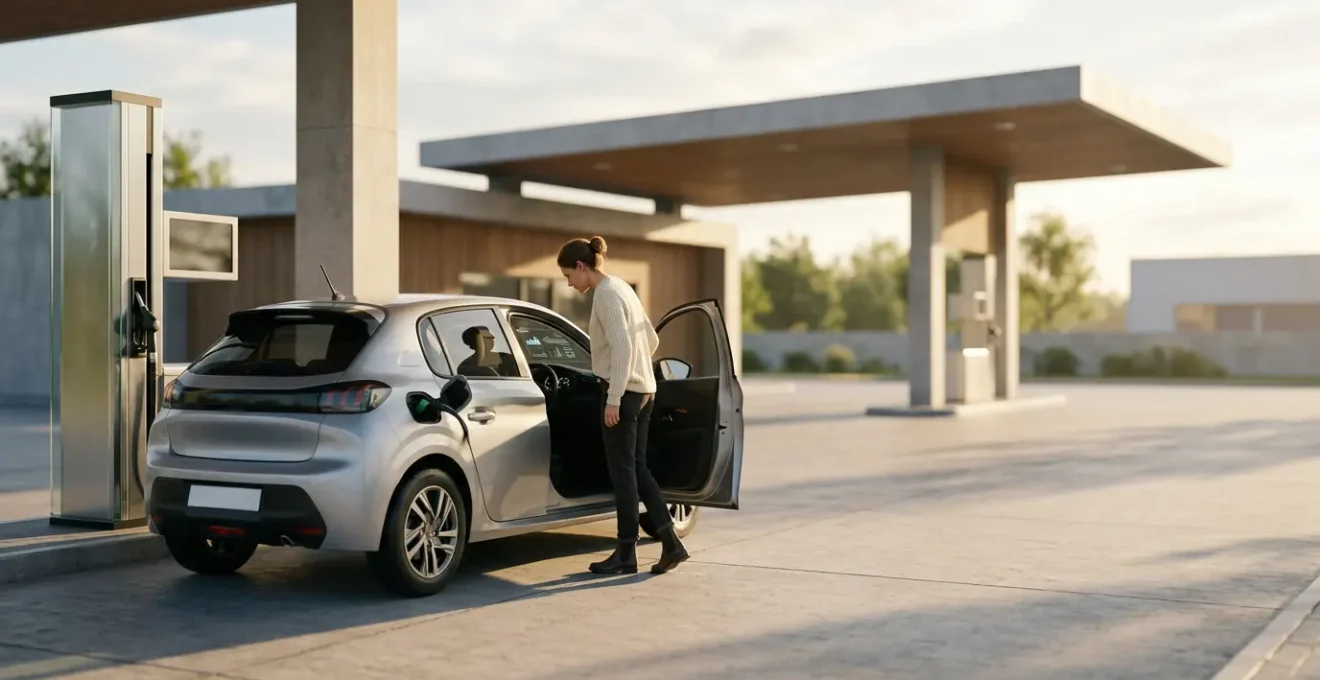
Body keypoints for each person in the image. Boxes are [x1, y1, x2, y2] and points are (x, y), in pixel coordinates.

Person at [557, 235, 689, 575]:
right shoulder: (623, 288)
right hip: (645, 390)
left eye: (569, 276)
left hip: (625, 393)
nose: (569, 283)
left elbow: (623, 349)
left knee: (623, 474)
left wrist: (614, 398)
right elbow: (651, 339)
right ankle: (671, 544)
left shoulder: (606, 296)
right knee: (637, 469)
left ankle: (626, 553)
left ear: (582, 267)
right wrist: (638, 375)